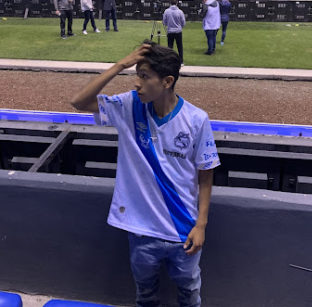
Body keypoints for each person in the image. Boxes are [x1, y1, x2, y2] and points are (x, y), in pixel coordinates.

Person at [71, 41, 220, 307]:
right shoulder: (129, 106)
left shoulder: (197, 119)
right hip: (141, 231)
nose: (136, 83)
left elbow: (206, 174)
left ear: (167, 81)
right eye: (135, 75)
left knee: (189, 295)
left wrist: (201, 225)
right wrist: (120, 65)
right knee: (145, 297)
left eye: (144, 76)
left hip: (183, 231)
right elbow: (79, 102)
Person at [163, 0, 186, 64]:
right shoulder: (180, 12)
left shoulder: (166, 11)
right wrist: (179, 27)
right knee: (180, 47)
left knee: (170, 47)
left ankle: (169, 61)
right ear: (177, 3)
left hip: (170, 31)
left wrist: (169, 25)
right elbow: (183, 22)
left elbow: (164, 22)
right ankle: (181, 61)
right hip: (178, 31)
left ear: (170, 3)